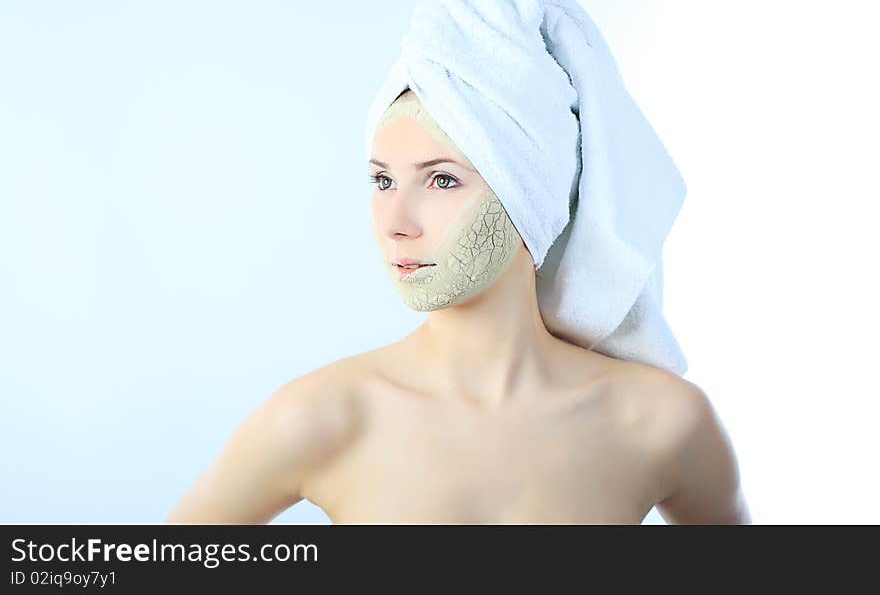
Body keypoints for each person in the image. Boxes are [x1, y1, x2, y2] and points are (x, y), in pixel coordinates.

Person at [165, 90, 751, 525]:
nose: (395, 224)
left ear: (532, 195)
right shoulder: (323, 417)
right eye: (382, 181)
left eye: (442, 181)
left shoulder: (660, 421)